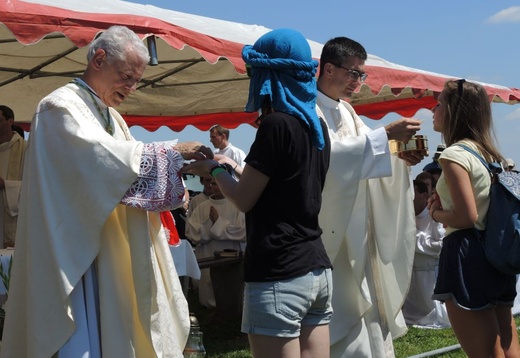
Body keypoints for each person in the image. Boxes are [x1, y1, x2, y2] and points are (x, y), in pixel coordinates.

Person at [2, 26, 208, 357]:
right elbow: (102, 161)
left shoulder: (109, 114)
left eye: (136, 80)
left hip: (110, 247)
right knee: (85, 336)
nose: (132, 87)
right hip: (76, 252)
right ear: (99, 59)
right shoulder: (59, 107)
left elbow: (124, 161)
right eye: (126, 76)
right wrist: (174, 150)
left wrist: (175, 166)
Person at [182, 28, 333, 358]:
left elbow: (244, 199)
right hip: (317, 268)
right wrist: (231, 166)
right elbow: (285, 183)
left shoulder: (276, 124)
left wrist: (215, 171)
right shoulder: (317, 127)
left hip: (279, 271)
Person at [315, 36, 425, 357]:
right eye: (354, 74)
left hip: (358, 233)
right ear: (329, 69)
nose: (359, 83)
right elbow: (324, 161)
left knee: (367, 318)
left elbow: (368, 156)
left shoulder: (348, 112)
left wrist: (398, 154)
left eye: (362, 76)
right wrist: (385, 135)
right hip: (328, 232)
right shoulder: (307, 110)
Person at [429, 79, 520, 357]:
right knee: (507, 344)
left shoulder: (454, 155)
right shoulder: (493, 155)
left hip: (467, 255)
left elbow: (466, 216)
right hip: (497, 253)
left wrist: (435, 212)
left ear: (454, 111)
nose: (433, 109)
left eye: (440, 104)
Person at [186, 175, 246, 308]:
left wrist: (219, 224)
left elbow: (243, 232)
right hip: (208, 254)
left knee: (232, 288)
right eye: (213, 183)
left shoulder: (238, 205)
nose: (215, 187)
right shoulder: (202, 207)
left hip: (233, 257)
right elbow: (191, 232)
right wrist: (212, 226)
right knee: (209, 284)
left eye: (219, 183)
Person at [402, 180, 449, 329]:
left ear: (423, 195)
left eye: (412, 194)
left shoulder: (434, 216)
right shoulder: (403, 218)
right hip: (411, 278)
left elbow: (441, 246)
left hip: (430, 276)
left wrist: (414, 237)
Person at [0, 105, 27, 249]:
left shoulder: (26, 149)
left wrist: (6, 185)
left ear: (10, 121)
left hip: (15, 219)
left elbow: (35, 186)